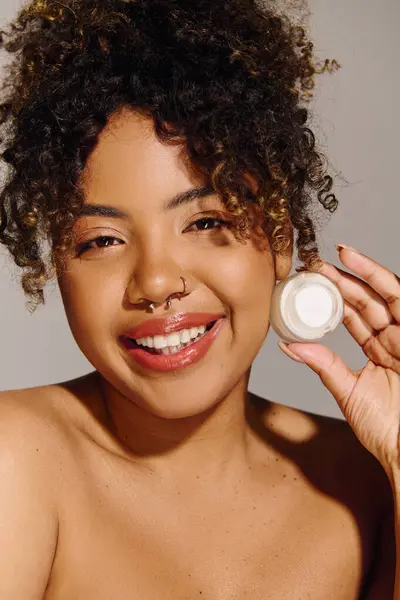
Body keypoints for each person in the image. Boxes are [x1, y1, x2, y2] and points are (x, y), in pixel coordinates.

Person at [0, 0, 398, 598]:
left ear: (281, 238)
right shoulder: (17, 461)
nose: (156, 282)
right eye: (102, 239)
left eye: (206, 222)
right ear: (58, 264)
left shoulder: (369, 485)